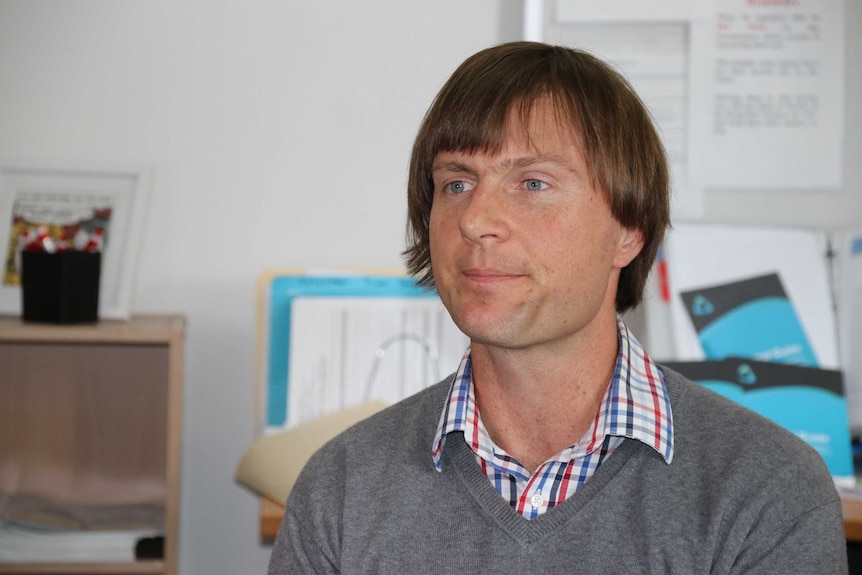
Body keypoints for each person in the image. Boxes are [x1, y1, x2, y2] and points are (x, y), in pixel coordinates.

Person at [268, 42, 847, 574]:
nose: (476, 221)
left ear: (630, 229)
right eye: (457, 184)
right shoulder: (343, 487)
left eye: (533, 184)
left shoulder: (765, 490)